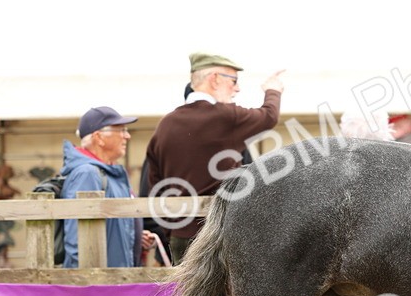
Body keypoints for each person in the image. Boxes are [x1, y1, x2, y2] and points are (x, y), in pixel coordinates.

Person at [144, 52, 285, 263]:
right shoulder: (225, 116)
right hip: (220, 232)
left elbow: (155, 183)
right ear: (215, 79)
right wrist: (272, 90)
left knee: (185, 295)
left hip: (180, 235)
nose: (237, 88)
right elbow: (269, 116)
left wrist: (172, 229)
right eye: (234, 81)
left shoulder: (165, 125)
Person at [60, 107, 152, 268]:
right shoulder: (88, 174)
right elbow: (78, 243)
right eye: (121, 130)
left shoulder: (110, 173)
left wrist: (133, 235)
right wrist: (89, 287)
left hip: (116, 282)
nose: (127, 136)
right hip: (101, 286)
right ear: (99, 137)